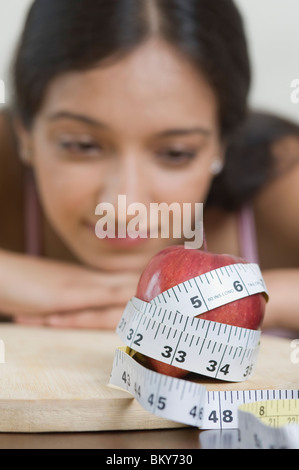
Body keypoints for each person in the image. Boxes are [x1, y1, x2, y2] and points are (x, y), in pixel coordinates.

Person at [0, 0, 298, 335]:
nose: (124, 207)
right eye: (82, 145)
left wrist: (237, 298)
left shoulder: (284, 179)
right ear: (25, 132)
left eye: (175, 153)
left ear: (222, 142)